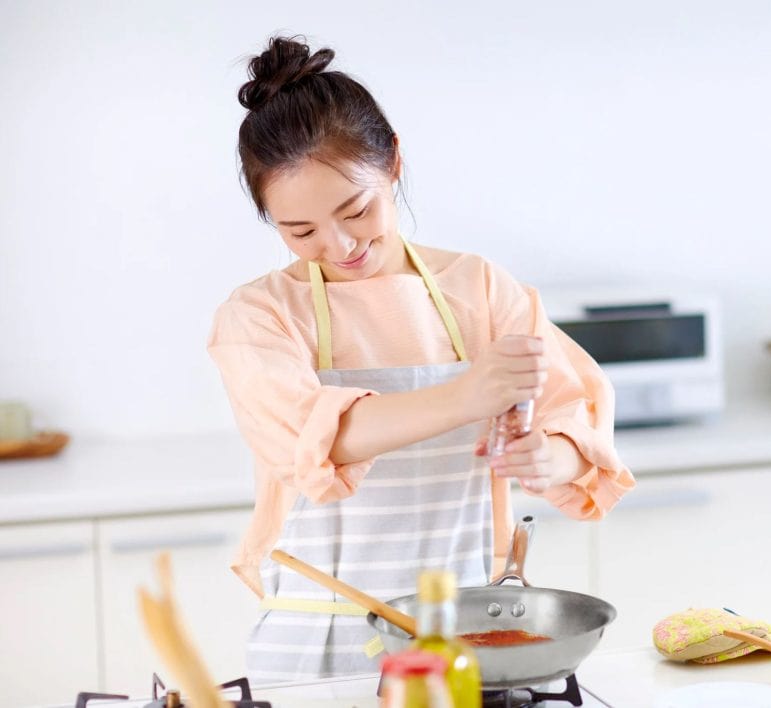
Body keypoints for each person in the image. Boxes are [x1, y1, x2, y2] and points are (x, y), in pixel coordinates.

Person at [207, 35, 636, 683]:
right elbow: (314, 440)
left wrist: (551, 456)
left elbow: (579, 422)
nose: (340, 243)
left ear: (395, 164)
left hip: (460, 631)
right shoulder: (259, 316)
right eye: (301, 232)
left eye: (358, 209)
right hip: (317, 639)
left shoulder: (481, 288)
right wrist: (470, 396)